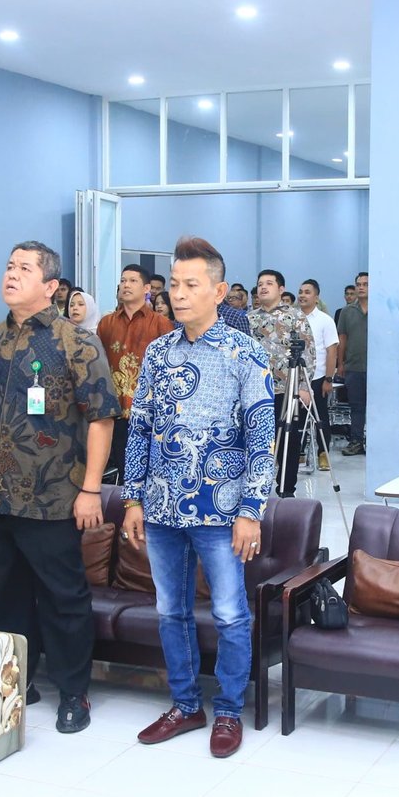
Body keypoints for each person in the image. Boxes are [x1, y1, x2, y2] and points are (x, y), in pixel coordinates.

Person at [0, 242, 119, 733]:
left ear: (50, 286)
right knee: (7, 594)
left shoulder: (77, 342)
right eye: (9, 266)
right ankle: (17, 682)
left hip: (54, 496)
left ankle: (73, 692)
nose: (11, 274)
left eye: (24, 268)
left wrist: (90, 489)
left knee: (62, 597)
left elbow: (101, 418)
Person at [122, 235, 275, 759]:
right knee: (171, 611)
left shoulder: (244, 353)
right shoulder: (159, 351)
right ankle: (186, 705)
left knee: (230, 614)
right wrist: (133, 498)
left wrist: (251, 510)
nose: (179, 294)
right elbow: (139, 429)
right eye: (175, 284)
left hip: (222, 510)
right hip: (162, 506)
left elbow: (262, 438)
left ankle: (228, 710)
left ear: (219, 291)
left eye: (191, 284)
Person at [97, 263, 174, 478]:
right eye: (123, 281)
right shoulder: (106, 324)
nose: (126, 285)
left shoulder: (161, 324)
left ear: (147, 288)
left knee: (151, 472)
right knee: (124, 470)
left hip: (150, 411)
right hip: (115, 410)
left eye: (132, 281)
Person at [250, 270, 315, 497]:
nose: (263, 287)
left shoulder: (295, 317)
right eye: (260, 284)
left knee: (289, 438)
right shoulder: (249, 318)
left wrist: (304, 387)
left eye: (269, 283)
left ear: (281, 289)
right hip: (256, 390)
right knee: (259, 438)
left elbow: (308, 352)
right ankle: (258, 487)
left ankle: (286, 488)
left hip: (286, 390)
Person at [297, 278, 339, 469]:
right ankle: (298, 453)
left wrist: (328, 379)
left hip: (318, 377)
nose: (302, 295)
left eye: (307, 292)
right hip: (296, 378)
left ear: (316, 297)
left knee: (320, 417)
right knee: (296, 418)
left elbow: (332, 351)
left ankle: (323, 453)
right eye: (300, 292)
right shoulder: (292, 319)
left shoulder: (325, 320)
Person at [336, 271, 369, 455]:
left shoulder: (381, 309)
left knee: (379, 407)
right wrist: (340, 364)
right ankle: (356, 441)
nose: (361, 287)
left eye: (366, 284)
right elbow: (342, 339)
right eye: (359, 284)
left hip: (378, 368)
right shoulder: (347, 311)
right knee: (356, 406)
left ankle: (377, 443)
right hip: (354, 367)